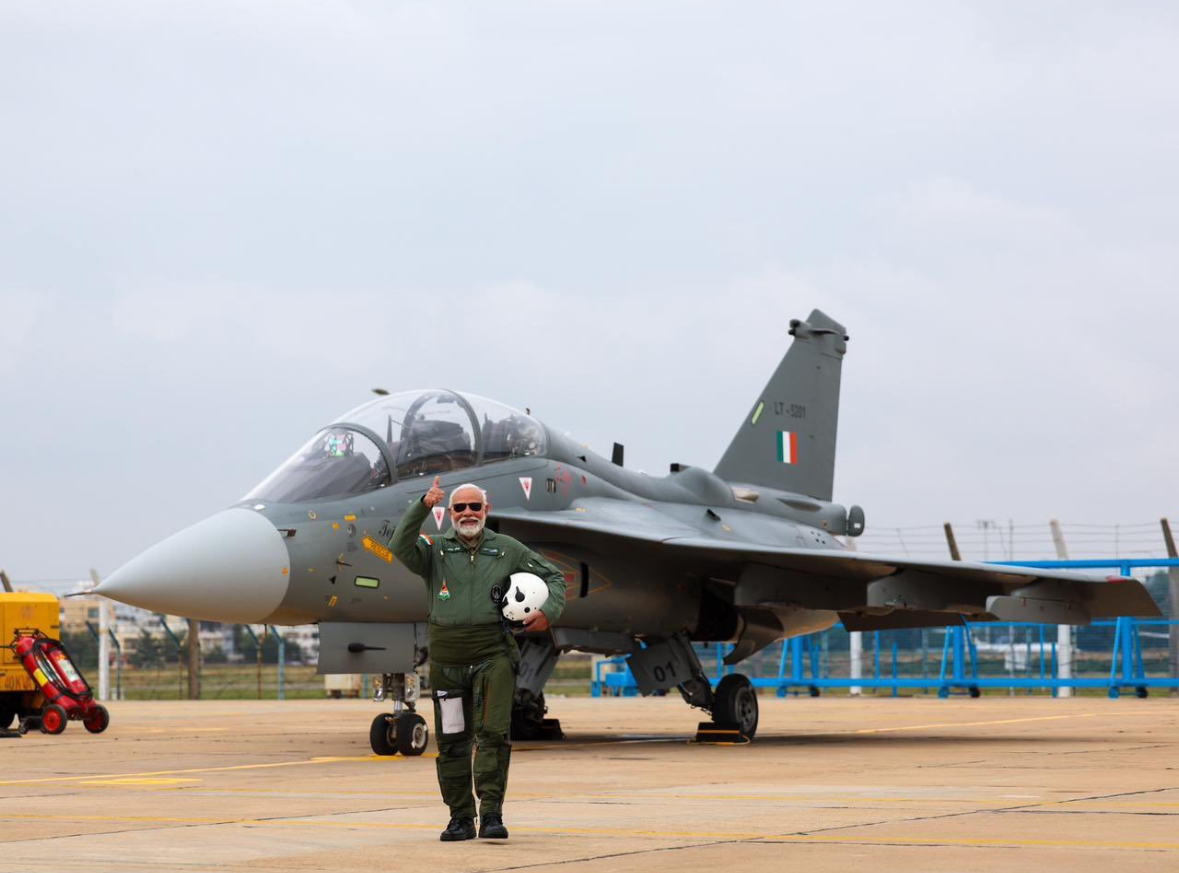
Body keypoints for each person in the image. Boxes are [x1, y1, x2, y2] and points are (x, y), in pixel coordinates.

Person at [389, 476, 566, 842]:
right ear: (449, 513)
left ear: (486, 510)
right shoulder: (434, 550)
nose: (467, 513)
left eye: (474, 506)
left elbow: (553, 576)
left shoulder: (508, 550)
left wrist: (550, 610)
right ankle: (459, 818)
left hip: (493, 656)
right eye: (459, 507)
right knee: (453, 739)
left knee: (492, 736)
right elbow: (398, 545)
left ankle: (490, 816)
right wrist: (422, 505)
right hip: (448, 662)